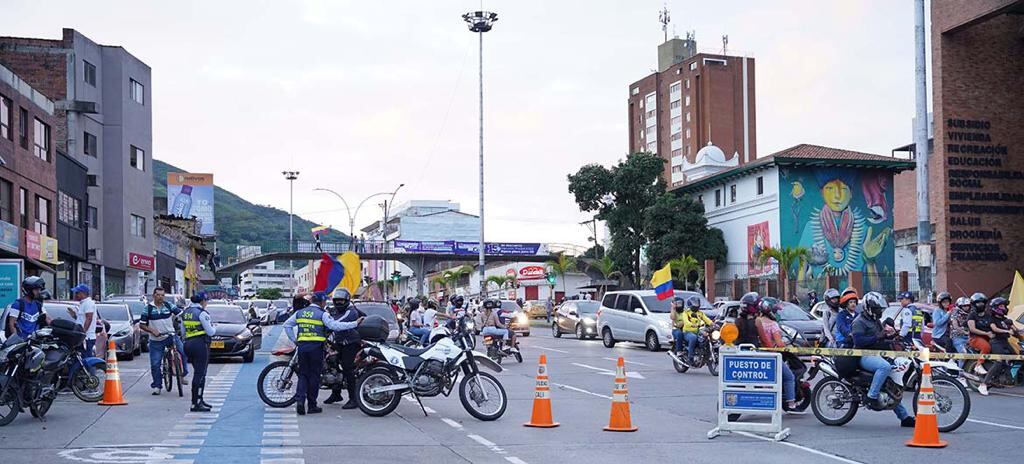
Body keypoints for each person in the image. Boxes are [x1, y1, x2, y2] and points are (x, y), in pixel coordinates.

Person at [282, 291, 363, 415]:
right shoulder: (322, 314)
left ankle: (300, 401)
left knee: (303, 375)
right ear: (321, 302)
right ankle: (312, 405)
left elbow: (287, 325)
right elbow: (335, 326)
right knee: (314, 376)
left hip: (303, 347)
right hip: (316, 348)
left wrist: (295, 340)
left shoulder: (300, 312)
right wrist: (355, 323)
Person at [851, 292, 915, 428]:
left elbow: (882, 339)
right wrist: (878, 337)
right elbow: (858, 341)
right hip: (864, 355)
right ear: (869, 308)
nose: (879, 311)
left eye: (880, 309)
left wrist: (893, 338)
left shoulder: (875, 321)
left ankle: (904, 417)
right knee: (884, 367)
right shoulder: (859, 321)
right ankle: (871, 396)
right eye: (877, 309)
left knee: (891, 383)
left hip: (878, 354)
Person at [756, 299, 804, 414]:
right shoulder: (773, 324)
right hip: (772, 356)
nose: (776, 314)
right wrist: (785, 343)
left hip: (757, 355)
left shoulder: (757, 322)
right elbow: (780, 343)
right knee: (789, 377)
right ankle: (791, 405)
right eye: (775, 312)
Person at [140, 288, 190, 395]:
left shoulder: (168, 305)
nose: (160, 297)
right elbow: (142, 324)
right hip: (156, 340)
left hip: (170, 336)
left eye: (162, 295)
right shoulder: (148, 308)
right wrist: (152, 331)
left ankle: (183, 374)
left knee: (183, 351)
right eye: (158, 295)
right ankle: (157, 385)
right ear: (154, 295)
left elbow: (180, 314)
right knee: (155, 363)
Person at [323, 288, 364, 409]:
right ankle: (336, 394)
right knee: (333, 365)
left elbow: (337, 322)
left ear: (347, 300)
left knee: (347, 368)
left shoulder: (351, 311)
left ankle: (354, 399)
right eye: (337, 301)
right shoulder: (334, 310)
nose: (339, 303)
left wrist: (326, 324)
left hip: (351, 343)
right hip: (339, 342)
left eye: (341, 301)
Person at [978, 297, 1022, 395]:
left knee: (1016, 357)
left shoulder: (1007, 320)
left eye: (1005, 306)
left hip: (1005, 342)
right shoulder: (991, 319)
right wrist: (1007, 331)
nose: (1004, 308)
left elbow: (1016, 330)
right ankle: (983, 384)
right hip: (996, 342)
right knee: (999, 360)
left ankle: (1001, 378)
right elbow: (994, 328)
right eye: (1002, 306)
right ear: (995, 308)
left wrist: (1019, 332)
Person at [182, 292, 216, 412]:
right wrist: (214, 327)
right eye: (206, 301)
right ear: (202, 301)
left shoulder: (186, 312)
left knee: (198, 372)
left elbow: (182, 331)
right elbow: (211, 332)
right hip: (200, 345)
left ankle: (199, 400)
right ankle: (195, 402)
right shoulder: (202, 313)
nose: (206, 304)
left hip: (188, 344)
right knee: (200, 374)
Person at [678, 296, 713, 365]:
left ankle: (704, 353)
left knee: (707, 337)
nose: (696, 305)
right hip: (687, 332)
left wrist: (713, 324)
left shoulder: (700, 313)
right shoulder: (686, 313)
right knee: (693, 338)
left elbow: (706, 319)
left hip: (698, 331)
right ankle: (690, 357)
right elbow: (686, 322)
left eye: (697, 303)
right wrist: (692, 325)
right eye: (694, 303)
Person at [966, 292, 993, 375]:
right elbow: (972, 329)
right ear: (974, 304)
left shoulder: (988, 315)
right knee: (986, 347)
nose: (980, 304)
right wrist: (986, 333)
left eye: (982, 302)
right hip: (975, 338)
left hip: (988, 337)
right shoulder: (972, 315)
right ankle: (978, 365)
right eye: (978, 303)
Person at [70, 284, 98, 358]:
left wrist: (83, 333)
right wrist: (74, 316)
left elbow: (89, 318)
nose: (76, 295)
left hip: (87, 338)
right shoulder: (83, 303)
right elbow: (83, 319)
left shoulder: (88, 303)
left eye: (77, 293)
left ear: (83, 293)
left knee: (86, 359)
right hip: (83, 337)